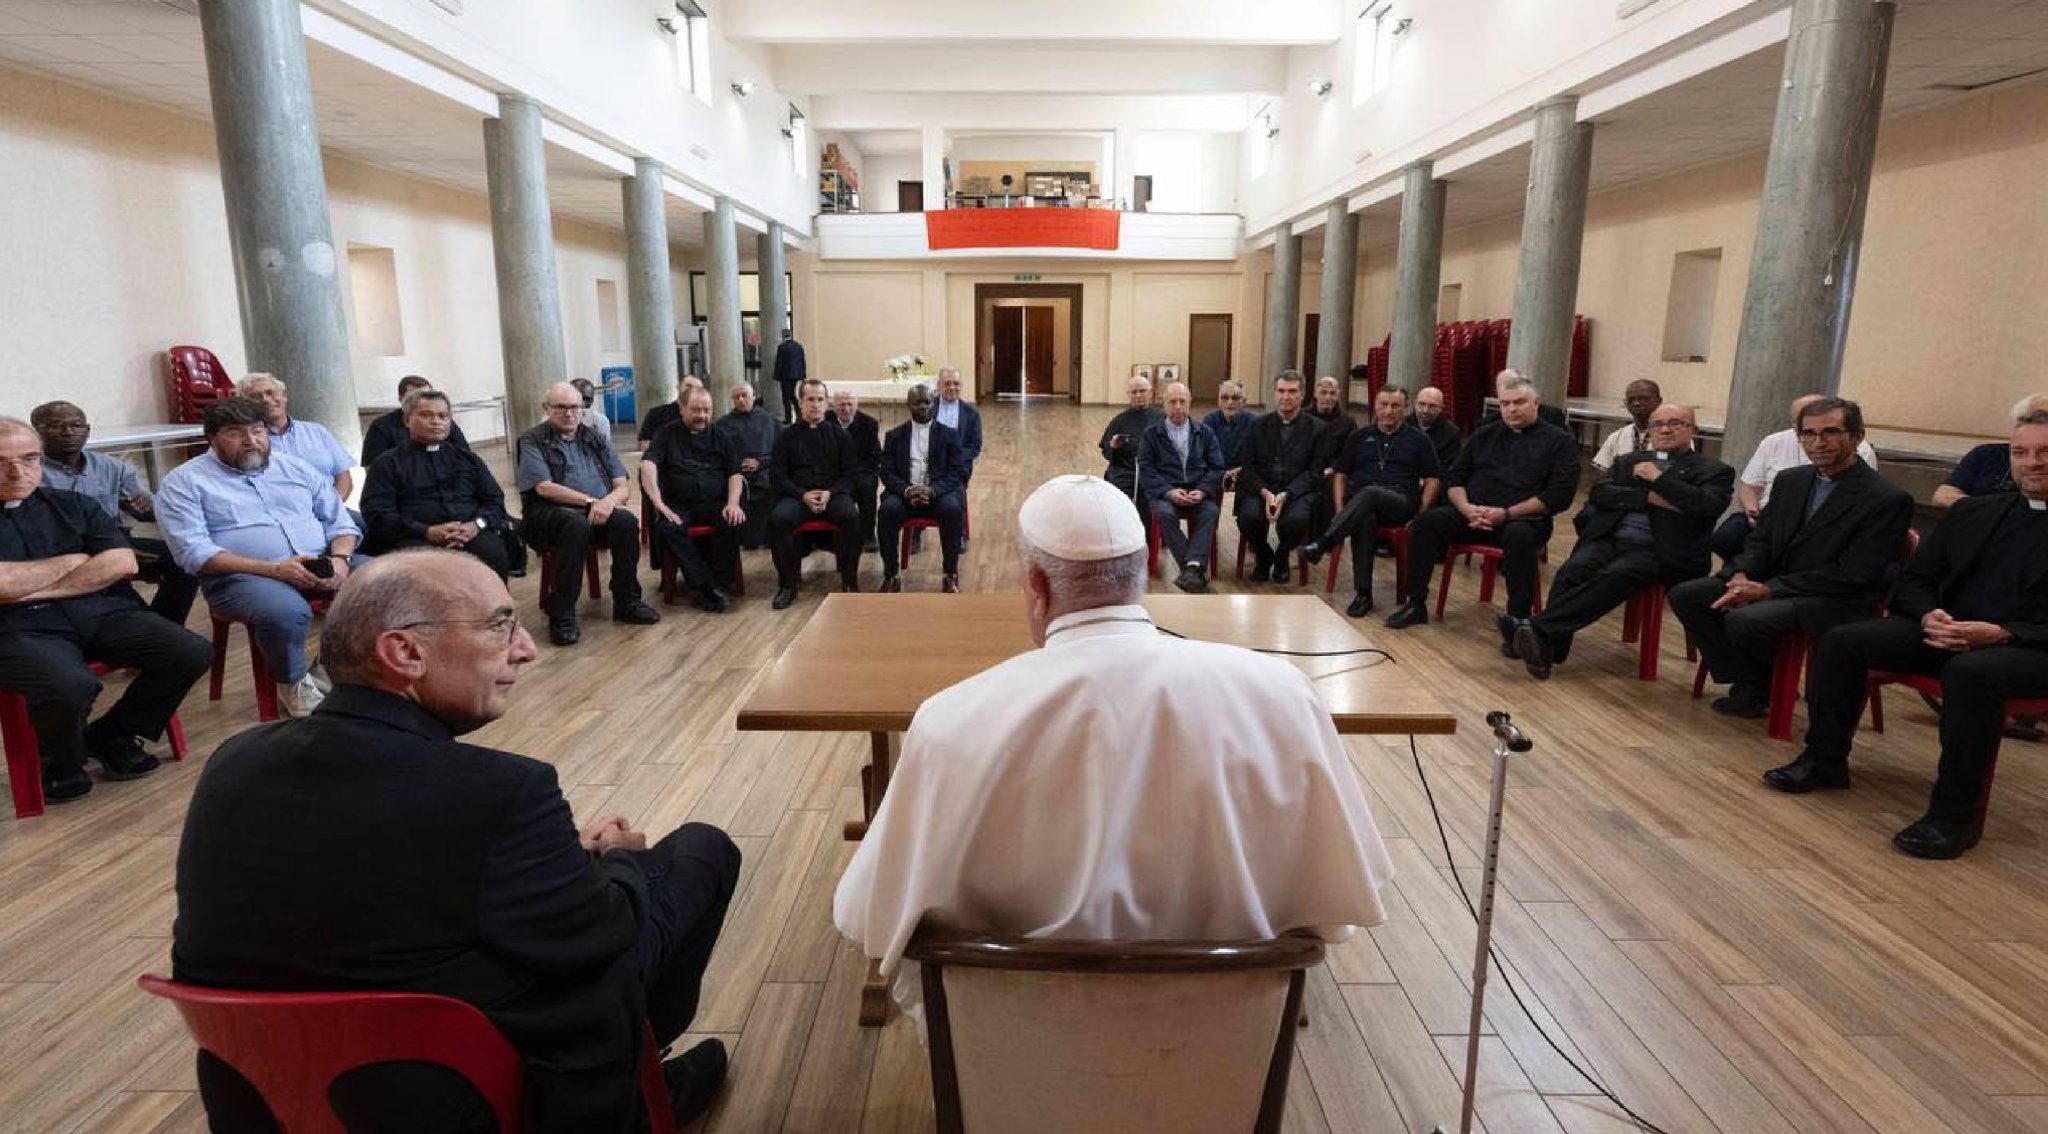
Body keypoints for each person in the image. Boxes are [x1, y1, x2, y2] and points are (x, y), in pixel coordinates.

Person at [171, 550, 740, 1131]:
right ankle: (642, 1096)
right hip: (463, 1096)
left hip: (262, 1100)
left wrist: (554, 859)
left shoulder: (233, 760)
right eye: (500, 626)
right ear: (405, 652)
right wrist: (616, 860)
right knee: (700, 850)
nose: (526, 649)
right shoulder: (502, 790)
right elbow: (604, 934)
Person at [833, 474, 1393, 1022]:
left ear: (1038, 587)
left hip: (1013, 1047)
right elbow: (1340, 896)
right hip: (1230, 1045)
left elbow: (868, 915)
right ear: (1141, 574)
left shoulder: (951, 721)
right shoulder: (1284, 696)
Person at [1763, 411, 2048, 859]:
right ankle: (1825, 759)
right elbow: (1915, 579)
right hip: (1949, 631)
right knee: (1844, 640)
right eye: (2020, 452)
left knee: (1973, 674)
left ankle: (1953, 816)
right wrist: (1929, 615)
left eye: (2045, 452)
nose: (2032, 462)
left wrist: (2003, 633)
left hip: (2029, 646)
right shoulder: (1974, 511)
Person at [0, 417, 208, 803]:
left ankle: (111, 734)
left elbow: (121, 563)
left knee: (190, 651)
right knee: (70, 685)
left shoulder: (74, 504)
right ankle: (60, 759)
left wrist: (26, 586)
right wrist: (74, 562)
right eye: (1, 462)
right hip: (17, 626)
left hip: (97, 610)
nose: (17, 472)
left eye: (29, 459)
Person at [1670, 396, 1913, 719]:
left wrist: (1768, 589)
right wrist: (1741, 573)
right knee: (1688, 595)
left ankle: (1756, 687)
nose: (1818, 442)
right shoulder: (1791, 480)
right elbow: (1762, 538)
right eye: (1809, 434)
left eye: (1830, 432)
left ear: (1857, 436)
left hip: (1836, 597)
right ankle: (1756, 680)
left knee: (1746, 619)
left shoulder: (1887, 498)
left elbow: (1855, 573)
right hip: (1778, 581)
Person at [156, 396, 362, 717]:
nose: (251, 441)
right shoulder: (183, 483)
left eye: (257, 430)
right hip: (241, 576)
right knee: (286, 612)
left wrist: (341, 559)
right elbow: (194, 553)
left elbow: (340, 521)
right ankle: (293, 684)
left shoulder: (294, 467)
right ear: (211, 438)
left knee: (391, 583)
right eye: (236, 433)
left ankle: (330, 673)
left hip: (320, 560)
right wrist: (275, 569)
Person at [1512, 405, 1732, 678]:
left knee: (1618, 573)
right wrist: (1647, 497)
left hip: (1663, 550)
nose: (1665, 430)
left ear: (1693, 430)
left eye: (1676, 423)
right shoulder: (1628, 461)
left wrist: (1659, 479)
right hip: (1611, 538)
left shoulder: (1714, 470)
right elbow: (1600, 493)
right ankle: (1549, 650)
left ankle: (1538, 629)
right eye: (1658, 424)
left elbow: (1705, 505)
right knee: (1573, 570)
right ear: (1649, 430)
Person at [1385, 374, 1578, 637]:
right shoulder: (1485, 435)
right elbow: (1454, 477)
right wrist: (1465, 508)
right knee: (1425, 523)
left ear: (1536, 403)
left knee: (1520, 537)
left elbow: (1559, 495)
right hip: (1473, 515)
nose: (1511, 409)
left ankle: (1518, 622)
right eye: (1505, 403)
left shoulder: (1559, 441)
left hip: (1521, 520)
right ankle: (1416, 603)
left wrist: (1506, 514)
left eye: (1519, 402)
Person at [517, 381, 661, 647]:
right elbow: (544, 487)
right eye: (560, 407)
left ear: (583, 408)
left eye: (575, 407)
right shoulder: (532, 439)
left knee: (626, 522)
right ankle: (562, 614)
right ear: (546, 408)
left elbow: (623, 486)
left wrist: (606, 503)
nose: (569, 413)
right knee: (576, 525)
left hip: (596, 510)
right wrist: (591, 501)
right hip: (549, 514)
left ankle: (627, 600)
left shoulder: (595, 437)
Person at [31, 400, 198, 625]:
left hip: (116, 542)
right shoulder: (28, 472)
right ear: (36, 432)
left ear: (87, 430)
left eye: (76, 425)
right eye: (55, 425)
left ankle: (166, 626)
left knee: (185, 561)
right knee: (124, 603)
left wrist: (148, 508)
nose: (68, 432)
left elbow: (149, 512)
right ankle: (149, 629)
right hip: (59, 552)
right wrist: (109, 553)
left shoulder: (110, 466)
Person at [1300, 386, 1441, 618]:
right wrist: (1340, 509)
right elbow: (1341, 473)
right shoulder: (1360, 436)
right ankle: (1363, 594)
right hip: (1361, 506)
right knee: (1364, 517)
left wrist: (1421, 514)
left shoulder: (1419, 439)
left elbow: (1433, 479)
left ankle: (1325, 542)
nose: (1389, 410)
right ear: (1375, 406)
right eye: (1384, 404)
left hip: (1400, 502)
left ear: (1405, 408)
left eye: (1395, 406)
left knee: (1370, 493)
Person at [360, 390, 521, 579]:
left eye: (443, 416)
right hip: (413, 538)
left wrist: (476, 525)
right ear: (407, 420)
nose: (436, 421)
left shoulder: (467, 459)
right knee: (425, 571)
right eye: (426, 415)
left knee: (493, 554)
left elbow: (494, 500)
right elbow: (377, 512)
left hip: (470, 533)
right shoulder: (387, 464)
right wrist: (427, 532)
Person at [1709, 393, 1881, 562]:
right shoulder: (1776, 448)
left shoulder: (1862, 458)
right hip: (1768, 517)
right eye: (1806, 430)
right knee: (1727, 538)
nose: (1818, 442)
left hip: (1823, 528)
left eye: (1829, 431)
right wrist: (1752, 513)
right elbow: (1749, 487)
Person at [641, 386, 745, 613]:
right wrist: (659, 504)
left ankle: (719, 583)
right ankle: (705, 585)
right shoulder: (666, 434)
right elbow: (648, 464)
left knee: (733, 520)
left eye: (707, 410)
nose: (702, 415)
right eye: (696, 410)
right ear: (682, 408)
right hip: (679, 505)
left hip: (715, 504)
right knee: (668, 528)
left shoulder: (722, 436)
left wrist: (733, 503)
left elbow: (735, 473)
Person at [769, 379, 863, 609]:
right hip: (797, 497)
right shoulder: (786, 436)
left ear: (827, 403)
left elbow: (851, 474)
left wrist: (830, 493)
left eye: (820, 399)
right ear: (800, 403)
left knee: (851, 517)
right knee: (778, 519)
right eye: (810, 399)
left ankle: (849, 581)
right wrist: (802, 495)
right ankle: (787, 585)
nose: (815, 404)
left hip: (832, 496)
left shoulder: (840, 436)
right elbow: (778, 475)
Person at [877, 383, 968, 594]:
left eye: (927, 402)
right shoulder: (894, 436)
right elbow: (886, 472)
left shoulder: (949, 435)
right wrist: (907, 491)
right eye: (917, 403)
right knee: (886, 511)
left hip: (937, 495)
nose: (923, 407)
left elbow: (957, 472)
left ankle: (950, 574)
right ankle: (891, 575)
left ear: (933, 404)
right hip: (904, 495)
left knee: (952, 510)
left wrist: (932, 490)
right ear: (909, 405)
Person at [1236, 370, 1324, 582]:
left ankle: (1282, 556)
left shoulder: (1317, 429)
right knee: (1247, 518)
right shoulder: (1257, 425)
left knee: (1296, 520)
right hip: (1261, 488)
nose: (1286, 396)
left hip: (1296, 490)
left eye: (1292, 391)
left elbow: (1315, 472)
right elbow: (1247, 466)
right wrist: (1264, 492)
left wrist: (1287, 494)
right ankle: (1264, 555)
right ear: (1274, 394)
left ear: (1302, 395)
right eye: (1281, 391)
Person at [1138, 382, 1226, 593]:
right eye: (1172, 402)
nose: (1177, 406)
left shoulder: (1205, 433)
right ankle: (1193, 568)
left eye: (1182, 401)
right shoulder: (1151, 435)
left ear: (1189, 403)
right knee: (1165, 514)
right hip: (1166, 493)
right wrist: (1168, 491)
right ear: (1164, 405)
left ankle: (1191, 569)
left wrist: (1202, 490)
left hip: (1197, 492)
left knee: (1210, 512)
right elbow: (1146, 469)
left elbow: (1217, 467)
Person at [238, 372, 355, 501]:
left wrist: (333, 508)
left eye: (270, 393)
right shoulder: (246, 441)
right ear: (245, 404)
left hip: (332, 507)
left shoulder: (317, 431)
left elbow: (344, 478)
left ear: (284, 396)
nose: (265, 399)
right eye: (255, 396)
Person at [1930, 393, 2048, 507]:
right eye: (2035, 419)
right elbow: (1943, 496)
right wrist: (1991, 510)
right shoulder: (1986, 453)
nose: (2032, 462)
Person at [714, 381, 779, 548]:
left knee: (771, 486)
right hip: (736, 473)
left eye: (744, 395)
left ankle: (768, 538)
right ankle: (744, 539)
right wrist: (737, 464)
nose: (741, 400)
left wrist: (760, 463)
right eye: (736, 397)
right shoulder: (722, 425)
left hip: (766, 470)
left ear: (754, 396)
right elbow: (718, 455)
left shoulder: (770, 421)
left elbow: (781, 452)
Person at [361, 375, 469, 467]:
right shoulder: (381, 427)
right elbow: (374, 468)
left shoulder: (444, 423)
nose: (436, 421)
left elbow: (465, 458)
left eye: (428, 396)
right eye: (414, 398)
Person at [1099, 374, 1162, 513]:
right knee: (1118, 493)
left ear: (1151, 393)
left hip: (1153, 469)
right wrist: (1113, 447)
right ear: (1129, 395)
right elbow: (1106, 449)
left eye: (1142, 391)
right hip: (1125, 470)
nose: (1138, 395)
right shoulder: (1119, 420)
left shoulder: (1162, 418)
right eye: (1134, 392)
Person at [830, 387, 883, 551]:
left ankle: (868, 533)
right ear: (833, 406)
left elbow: (873, 457)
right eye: (842, 405)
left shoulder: (869, 424)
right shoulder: (825, 422)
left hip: (860, 472)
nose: (846, 409)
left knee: (867, 485)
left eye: (850, 404)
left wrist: (852, 475)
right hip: (832, 473)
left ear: (856, 405)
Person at [1590, 379, 1664, 471]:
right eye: (1631, 399)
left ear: (1659, 401)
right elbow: (1601, 470)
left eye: (1643, 398)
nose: (1636, 403)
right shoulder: (1616, 437)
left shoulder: (1672, 434)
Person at [1200, 379, 1256, 492]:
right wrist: (1221, 473)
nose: (1229, 402)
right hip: (1216, 476)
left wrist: (1239, 471)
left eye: (1235, 398)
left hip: (1244, 477)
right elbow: (1204, 455)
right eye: (1224, 398)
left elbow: (1257, 459)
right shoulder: (1209, 421)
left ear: (1244, 401)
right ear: (1218, 401)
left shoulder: (1254, 423)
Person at [933, 367, 984, 482]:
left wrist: (954, 458)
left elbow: (975, 447)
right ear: (938, 385)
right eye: (947, 384)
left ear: (961, 386)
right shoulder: (927, 408)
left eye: (956, 384)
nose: (952, 387)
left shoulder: (971, 414)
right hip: (930, 467)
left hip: (958, 468)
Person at [637, 375, 709, 447]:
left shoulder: (703, 418)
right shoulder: (655, 414)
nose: (691, 390)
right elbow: (644, 444)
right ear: (678, 387)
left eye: (697, 388)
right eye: (688, 386)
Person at [1409, 385, 1462, 469]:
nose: (1425, 410)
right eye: (1422, 404)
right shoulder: (1402, 425)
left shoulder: (1451, 433)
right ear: (1415, 404)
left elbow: (1449, 468)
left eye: (1432, 406)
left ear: (1441, 408)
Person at [772, 328, 807, 426]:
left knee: (786, 397)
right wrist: (803, 375)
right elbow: (802, 361)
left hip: (785, 376)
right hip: (795, 375)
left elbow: (779, 363)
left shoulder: (782, 347)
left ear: (783, 336)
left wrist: (776, 375)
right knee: (792, 395)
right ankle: (799, 414)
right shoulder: (798, 346)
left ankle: (788, 418)